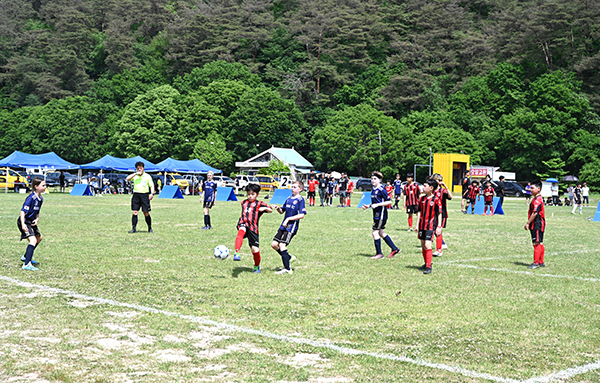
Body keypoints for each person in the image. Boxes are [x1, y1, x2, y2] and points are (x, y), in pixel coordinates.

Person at [232, 183, 273, 272]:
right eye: (248, 194)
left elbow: (270, 210)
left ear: (257, 194)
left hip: (253, 228)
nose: (250, 196)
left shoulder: (260, 203)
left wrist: (264, 209)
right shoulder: (243, 202)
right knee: (241, 231)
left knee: (255, 250)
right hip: (243, 223)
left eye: (252, 194)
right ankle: (237, 252)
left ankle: (256, 266)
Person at [362, 171, 400, 259]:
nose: (373, 180)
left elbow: (389, 201)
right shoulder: (374, 189)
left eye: (375, 179)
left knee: (375, 232)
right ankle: (394, 249)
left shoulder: (381, 189)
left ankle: (379, 253)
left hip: (381, 215)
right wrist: (368, 206)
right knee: (381, 233)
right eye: (371, 179)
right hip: (376, 214)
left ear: (379, 180)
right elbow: (376, 202)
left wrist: (378, 205)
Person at [271, 180, 306, 274]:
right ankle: (289, 258)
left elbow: (302, 215)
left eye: (295, 187)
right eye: (292, 187)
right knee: (274, 244)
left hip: (291, 226)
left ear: (300, 189)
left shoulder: (300, 200)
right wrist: (278, 209)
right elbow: (282, 211)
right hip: (284, 225)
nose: (292, 188)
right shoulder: (289, 199)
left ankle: (287, 269)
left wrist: (288, 219)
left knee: (282, 245)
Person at [18, 177, 46, 270]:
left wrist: (37, 219)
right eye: (43, 185)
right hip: (25, 221)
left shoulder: (40, 198)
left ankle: (26, 256)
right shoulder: (31, 198)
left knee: (39, 238)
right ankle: (26, 264)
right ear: (36, 186)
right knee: (33, 241)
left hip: (31, 221)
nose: (45, 187)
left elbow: (37, 211)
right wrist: (23, 224)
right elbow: (23, 212)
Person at [416, 178, 442, 274]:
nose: (423, 187)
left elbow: (439, 213)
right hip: (422, 226)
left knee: (427, 244)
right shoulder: (422, 198)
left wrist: (439, 226)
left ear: (431, 188)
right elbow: (419, 212)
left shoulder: (436, 200)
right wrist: (417, 225)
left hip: (430, 226)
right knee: (423, 244)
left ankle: (428, 266)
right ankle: (426, 263)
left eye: (425, 186)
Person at [126, 161, 155, 233]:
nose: (139, 169)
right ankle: (133, 228)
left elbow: (151, 185)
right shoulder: (135, 175)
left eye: (141, 168)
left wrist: (152, 193)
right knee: (135, 212)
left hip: (144, 195)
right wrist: (135, 173)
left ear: (143, 168)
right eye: (138, 168)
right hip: (136, 195)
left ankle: (150, 228)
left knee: (146, 213)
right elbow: (127, 178)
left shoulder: (147, 176)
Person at [525, 180, 545, 269]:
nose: (531, 190)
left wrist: (528, 223)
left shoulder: (537, 200)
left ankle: (536, 263)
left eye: (532, 188)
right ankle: (541, 262)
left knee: (536, 243)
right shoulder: (536, 199)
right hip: (539, 223)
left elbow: (535, 213)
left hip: (537, 223)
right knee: (539, 242)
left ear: (538, 189)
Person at [431, 173, 451, 257]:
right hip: (432, 213)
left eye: (440, 180)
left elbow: (450, 197)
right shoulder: (432, 190)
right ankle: (432, 245)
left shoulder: (442, 190)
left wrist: (446, 187)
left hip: (441, 214)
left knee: (438, 231)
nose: (438, 182)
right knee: (432, 230)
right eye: (437, 180)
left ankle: (439, 250)